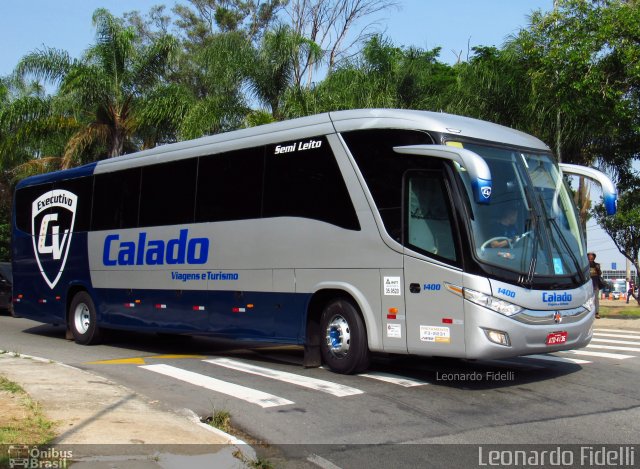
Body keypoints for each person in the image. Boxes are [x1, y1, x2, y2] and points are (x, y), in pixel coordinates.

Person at [588, 252, 602, 318]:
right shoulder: (585, 265)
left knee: (596, 299)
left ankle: (596, 313)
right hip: (587, 286)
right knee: (587, 300)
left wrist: (597, 268)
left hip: (595, 285)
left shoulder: (597, 265)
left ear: (594, 258)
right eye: (589, 258)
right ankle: (588, 313)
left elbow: (600, 273)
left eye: (591, 258)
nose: (590, 259)